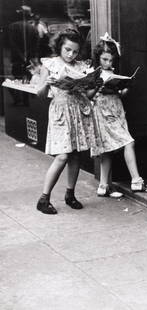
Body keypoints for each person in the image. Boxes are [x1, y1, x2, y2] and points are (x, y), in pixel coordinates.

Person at [35, 29, 101, 214]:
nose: (71, 54)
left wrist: (95, 86)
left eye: (75, 51)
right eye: (67, 50)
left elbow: (87, 95)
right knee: (62, 155)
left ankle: (70, 195)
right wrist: (47, 82)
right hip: (60, 113)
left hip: (77, 111)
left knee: (75, 155)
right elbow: (39, 94)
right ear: (59, 47)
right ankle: (44, 198)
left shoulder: (81, 66)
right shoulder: (49, 64)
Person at [87, 33, 147, 197]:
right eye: (105, 59)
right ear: (97, 57)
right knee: (128, 142)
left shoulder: (111, 72)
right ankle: (137, 181)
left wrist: (123, 89)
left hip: (115, 109)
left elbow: (118, 93)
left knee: (107, 149)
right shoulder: (92, 72)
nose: (108, 63)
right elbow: (88, 95)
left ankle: (103, 186)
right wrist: (98, 85)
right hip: (102, 111)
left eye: (111, 60)